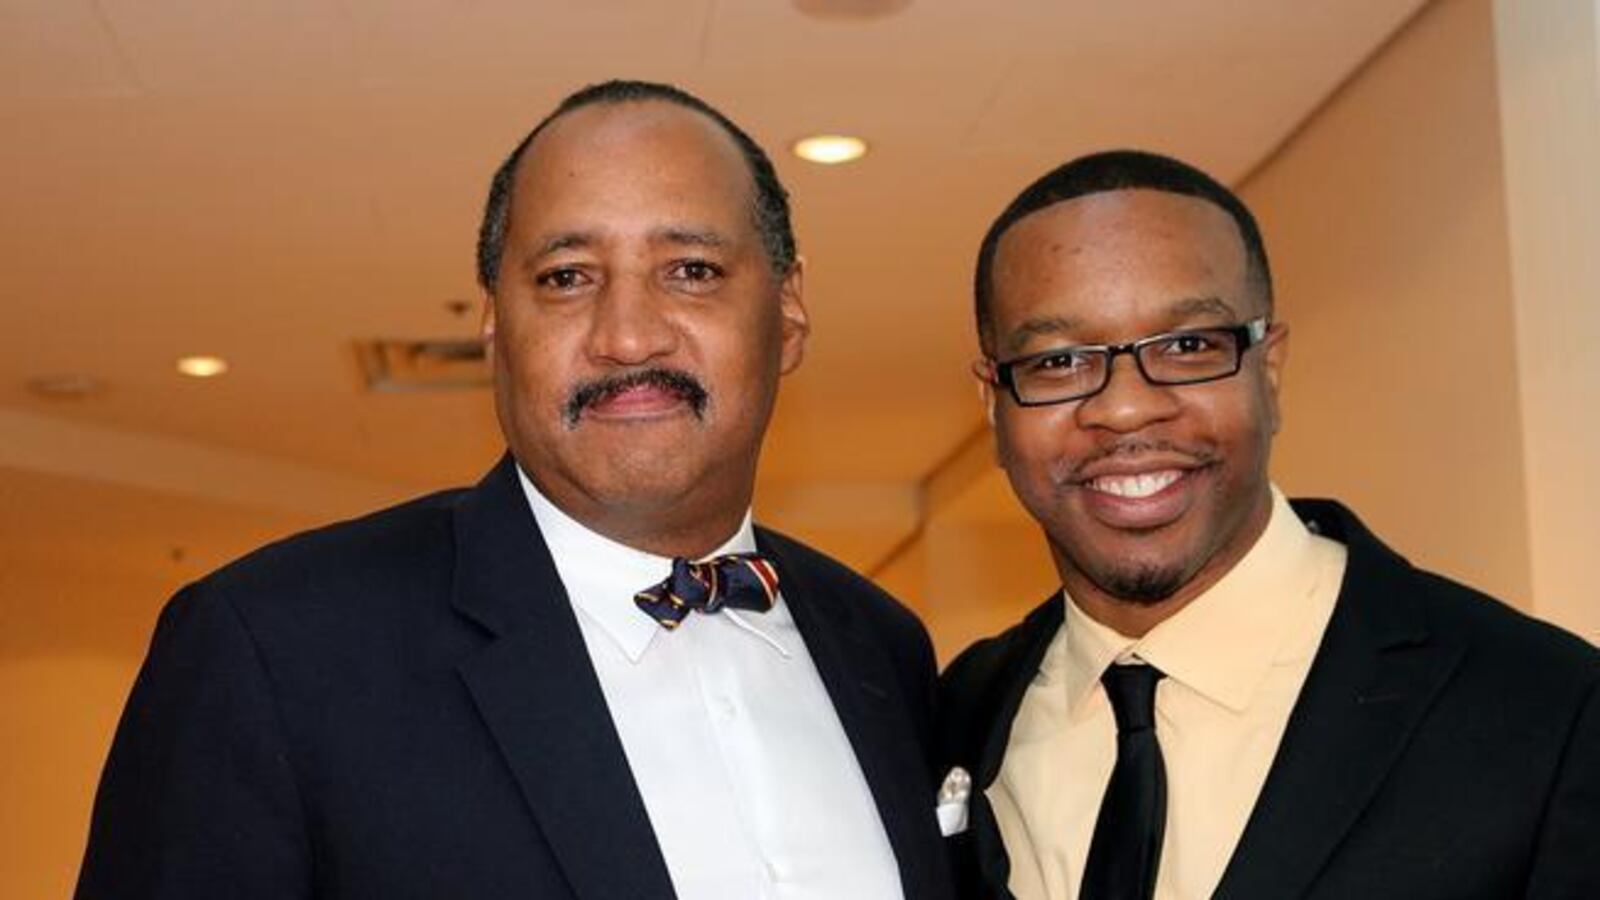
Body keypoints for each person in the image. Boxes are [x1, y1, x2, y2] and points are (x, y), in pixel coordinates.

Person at [77, 80, 954, 900]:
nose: (628, 335)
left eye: (690, 269)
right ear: (497, 322)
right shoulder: (272, 649)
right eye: (567, 277)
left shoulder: (882, 649)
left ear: (788, 309)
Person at [938, 149, 1599, 900]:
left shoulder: (1548, 712)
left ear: (1270, 369)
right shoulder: (956, 714)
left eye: (1188, 346)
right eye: (1057, 361)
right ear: (994, 406)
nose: (1124, 408)